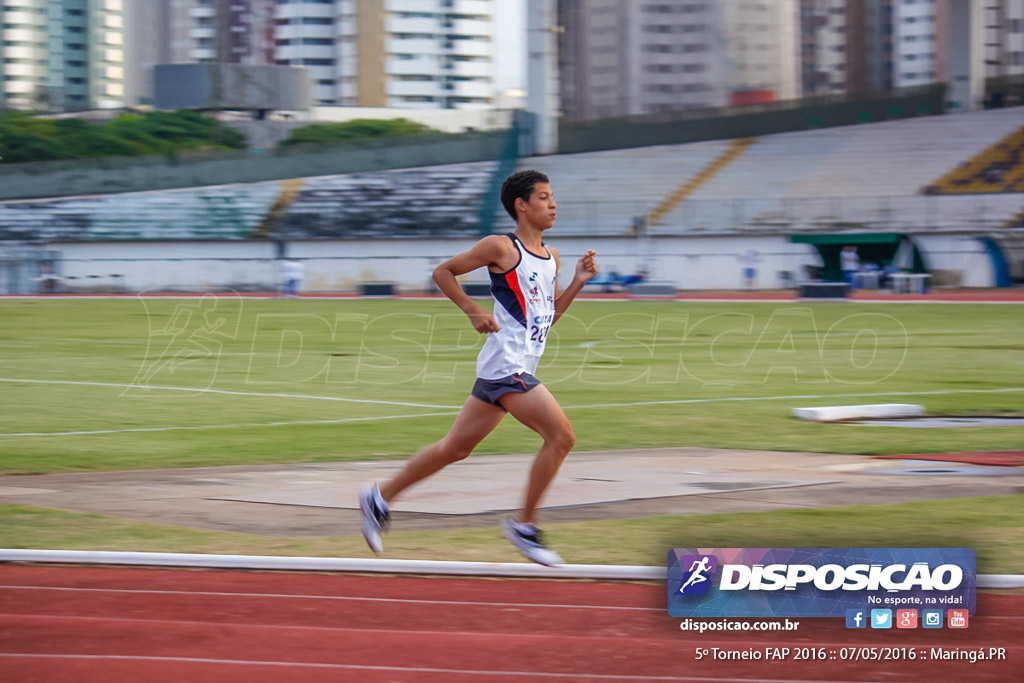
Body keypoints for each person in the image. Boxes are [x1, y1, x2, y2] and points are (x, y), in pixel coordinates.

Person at [359, 169, 599, 566]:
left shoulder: (552, 257)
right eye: (543, 197)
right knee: (562, 437)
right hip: (508, 367)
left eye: (552, 196)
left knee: (456, 448)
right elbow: (443, 272)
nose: (552, 204)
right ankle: (525, 526)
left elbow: (547, 317)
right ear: (521, 206)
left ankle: (379, 497)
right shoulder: (502, 247)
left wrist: (579, 281)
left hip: (508, 365)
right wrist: (472, 310)